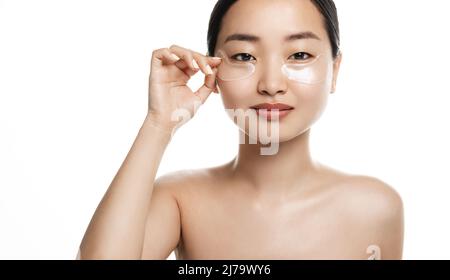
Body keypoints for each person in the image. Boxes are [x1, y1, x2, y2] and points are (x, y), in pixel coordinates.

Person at [78, 0, 404, 260]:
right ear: (214, 71)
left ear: (334, 70)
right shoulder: (180, 200)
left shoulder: (375, 208)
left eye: (300, 54)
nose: (271, 84)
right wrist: (159, 122)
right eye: (244, 56)